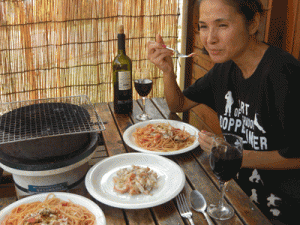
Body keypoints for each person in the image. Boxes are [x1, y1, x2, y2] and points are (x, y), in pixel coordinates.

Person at [147, 0, 300, 224]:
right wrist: (168, 71)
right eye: (204, 26)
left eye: (222, 25)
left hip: (279, 210)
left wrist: (233, 156)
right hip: (234, 197)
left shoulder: (282, 73)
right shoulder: (224, 69)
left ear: (253, 22)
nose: (210, 38)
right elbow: (178, 105)